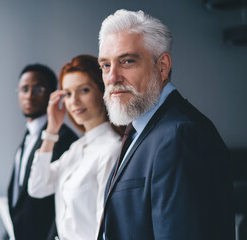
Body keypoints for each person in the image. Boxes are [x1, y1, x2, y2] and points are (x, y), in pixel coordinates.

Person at [96, 10, 235, 240]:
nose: (112, 78)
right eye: (105, 65)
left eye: (127, 61)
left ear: (162, 66)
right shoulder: (141, 131)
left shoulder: (180, 134)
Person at [28, 55, 122, 240]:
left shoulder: (111, 149)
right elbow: (37, 187)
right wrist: (51, 129)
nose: (74, 101)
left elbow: (107, 228)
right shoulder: (76, 149)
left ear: (103, 91)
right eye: (68, 94)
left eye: (84, 90)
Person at [7, 64, 78, 240]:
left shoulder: (64, 138)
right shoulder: (26, 137)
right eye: (24, 89)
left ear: (53, 93)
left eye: (38, 88)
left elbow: (64, 200)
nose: (29, 95)